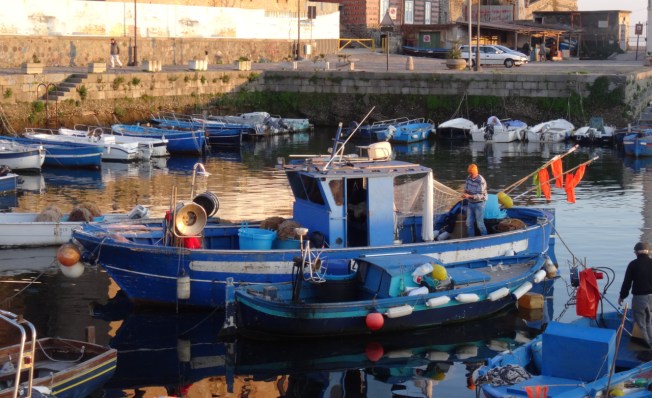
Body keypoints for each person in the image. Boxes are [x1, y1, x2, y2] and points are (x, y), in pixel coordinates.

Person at [619, 242, 652, 348]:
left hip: (640, 298)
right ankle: (650, 345)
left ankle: (645, 352)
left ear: (636, 252)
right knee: (648, 322)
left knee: (640, 325)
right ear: (648, 251)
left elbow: (627, 283)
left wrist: (622, 296)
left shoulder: (633, 264)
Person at [462, 164, 488, 237]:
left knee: (480, 224)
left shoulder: (481, 181)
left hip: (480, 204)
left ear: (476, 172)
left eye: (471, 173)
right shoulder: (468, 178)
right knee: (468, 223)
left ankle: (485, 238)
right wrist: (465, 193)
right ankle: (471, 239)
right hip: (470, 203)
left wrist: (469, 196)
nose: (470, 175)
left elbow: (482, 196)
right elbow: (466, 188)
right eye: (469, 173)